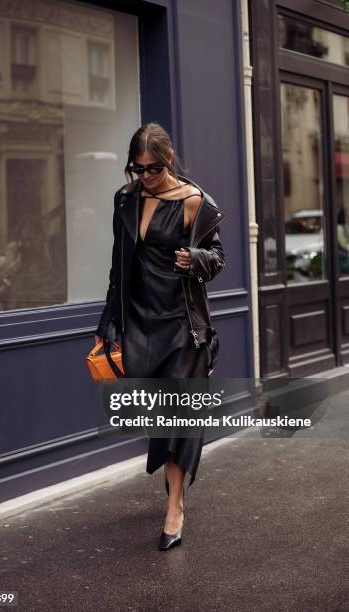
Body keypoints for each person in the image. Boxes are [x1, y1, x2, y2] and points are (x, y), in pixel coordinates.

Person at [95, 122, 226, 550]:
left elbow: (218, 257)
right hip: (140, 320)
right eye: (137, 168)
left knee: (178, 418)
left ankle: (175, 507)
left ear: (168, 161)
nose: (145, 176)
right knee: (159, 417)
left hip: (182, 324)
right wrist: (110, 320)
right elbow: (119, 263)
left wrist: (196, 259)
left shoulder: (194, 203)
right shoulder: (127, 200)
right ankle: (172, 487)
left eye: (152, 168)